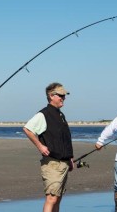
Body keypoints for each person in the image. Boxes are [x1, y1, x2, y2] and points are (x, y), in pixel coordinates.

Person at [23, 82, 74, 212]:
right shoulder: (43, 114)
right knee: (51, 198)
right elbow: (28, 129)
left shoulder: (60, 115)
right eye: (61, 95)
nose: (63, 98)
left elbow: (65, 139)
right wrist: (40, 146)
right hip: (52, 163)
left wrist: (70, 158)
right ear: (51, 96)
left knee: (58, 198)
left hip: (64, 162)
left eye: (64, 95)